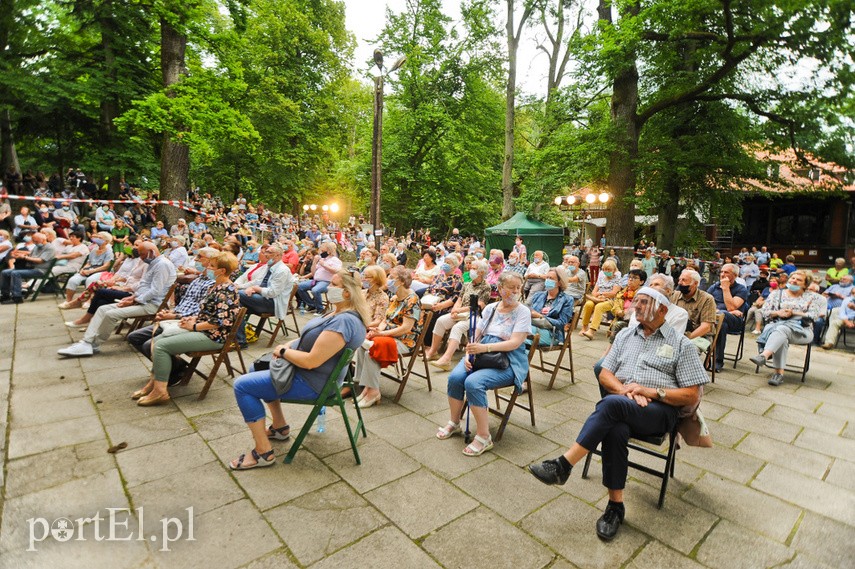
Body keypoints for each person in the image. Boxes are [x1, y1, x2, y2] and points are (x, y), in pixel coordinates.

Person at [527, 287, 708, 540]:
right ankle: (615, 507)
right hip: (625, 403)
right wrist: (627, 391)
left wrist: (652, 392)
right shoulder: (625, 335)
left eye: (645, 302)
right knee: (615, 428)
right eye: (636, 301)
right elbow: (604, 372)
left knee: (611, 406)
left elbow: (692, 394)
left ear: (663, 310)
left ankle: (563, 465)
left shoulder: (681, 344)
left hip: (659, 411)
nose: (637, 306)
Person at [228, 270, 370, 469]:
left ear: (346, 293)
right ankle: (279, 427)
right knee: (255, 367)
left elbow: (312, 361)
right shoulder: (339, 312)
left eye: (333, 284)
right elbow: (310, 338)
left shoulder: (344, 321)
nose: (328, 288)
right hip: (310, 373)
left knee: (242, 386)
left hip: (313, 382)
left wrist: (285, 351)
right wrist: (289, 346)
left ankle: (263, 452)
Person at [436, 271, 531, 456]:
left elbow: (515, 343)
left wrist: (484, 349)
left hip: (508, 360)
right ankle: (454, 422)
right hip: (482, 354)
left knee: (473, 382)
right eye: (511, 288)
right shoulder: (491, 308)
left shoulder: (523, 311)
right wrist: (468, 354)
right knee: (456, 377)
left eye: (518, 288)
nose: (516, 292)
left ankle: (483, 436)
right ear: (500, 289)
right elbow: (476, 335)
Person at [128, 251, 240, 405]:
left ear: (222, 271)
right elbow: (208, 313)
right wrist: (192, 318)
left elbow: (220, 322)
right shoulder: (216, 286)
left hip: (213, 336)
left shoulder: (226, 290)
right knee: (157, 340)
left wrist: (193, 326)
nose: (208, 268)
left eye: (212, 266)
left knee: (160, 346)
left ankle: (160, 391)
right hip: (204, 329)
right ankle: (154, 384)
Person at [57, 241, 176, 357]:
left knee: (111, 314)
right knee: (102, 309)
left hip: (151, 305)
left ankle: (94, 343)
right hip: (141, 300)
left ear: (151, 252)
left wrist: (134, 300)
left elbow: (155, 290)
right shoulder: (153, 263)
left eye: (142, 255)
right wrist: (132, 297)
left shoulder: (162, 264)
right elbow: (144, 286)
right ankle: (87, 342)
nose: (141, 258)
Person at [353, 265, 422, 408]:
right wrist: (377, 330)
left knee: (372, 351)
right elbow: (385, 320)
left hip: (404, 340)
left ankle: (373, 392)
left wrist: (381, 333)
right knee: (363, 346)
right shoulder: (395, 297)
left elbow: (406, 328)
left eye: (391, 277)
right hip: (388, 335)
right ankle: (367, 387)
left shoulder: (412, 299)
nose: (388, 280)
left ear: (401, 281)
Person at [750, 270, 824, 386]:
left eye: (799, 279)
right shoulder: (776, 294)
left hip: (802, 330)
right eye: (792, 278)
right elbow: (764, 312)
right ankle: (778, 374)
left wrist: (794, 313)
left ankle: (764, 355)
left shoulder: (812, 297)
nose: (794, 281)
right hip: (777, 325)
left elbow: (814, 316)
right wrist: (778, 313)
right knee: (782, 333)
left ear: (805, 284)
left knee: (781, 329)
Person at [425, 260, 492, 370]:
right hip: (460, 312)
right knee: (441, 321)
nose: (471, 270)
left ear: (481, 272)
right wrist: (455, 310)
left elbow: (479, 306)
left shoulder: (486, 287)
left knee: (457, 327)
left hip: (474, 316)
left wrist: (459, 310)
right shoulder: (467, 284)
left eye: (474, 268)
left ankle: (446, 359)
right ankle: (433, 351)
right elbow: (459, 299)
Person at [235, 243, 295, 347]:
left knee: (237, 295)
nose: (266, 254)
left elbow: (272, 293)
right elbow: (258, 281)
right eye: (266, 252)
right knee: (235, 306)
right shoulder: (269, 266)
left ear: (277, 255)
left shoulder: (282, 270)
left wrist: (255, 289)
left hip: (273, 303)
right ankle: (239, 339)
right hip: (263, 299)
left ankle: (240, 339)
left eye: (269, 252)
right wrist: (247, 287)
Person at [707, 263, 748, 372]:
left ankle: (712, 359)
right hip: (716, 319)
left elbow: (730, 307)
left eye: (726, 272)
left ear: (734, 275)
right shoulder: (714, 287)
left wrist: (725, 288)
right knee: (722, 324)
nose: (722, 274)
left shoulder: (741, 289)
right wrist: (719, 311)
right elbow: (705, 304)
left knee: (723, 315)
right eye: (721, 272)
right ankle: (717, 361)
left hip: (734, 322)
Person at [60, 232, 115, 305]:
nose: (97, 239)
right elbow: (89, 262)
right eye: (97, 237)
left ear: (106, 241)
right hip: (90, 269)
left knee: (90, 280)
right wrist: (83, 269)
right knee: (73, 280)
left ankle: (88, 301)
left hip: (101, 271)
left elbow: (106, 266)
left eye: (100, 238)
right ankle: (68, 300)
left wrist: (92, 271)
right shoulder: (94, 250)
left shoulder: (109, 251)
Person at [0, 232, 56, 304]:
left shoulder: (50, 248)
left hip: (40, 270)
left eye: (36, 241)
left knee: (16, 273)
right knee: (5, 272)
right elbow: (31, 254)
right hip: (31, 267)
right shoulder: (37, 246)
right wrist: (18, 255)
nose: (35, 243)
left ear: (43, 240)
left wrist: (25, 257)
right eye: (34, 241)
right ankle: (5, 295)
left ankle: (17, 297)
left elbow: (40, 260)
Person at [526, 267, 574, 346]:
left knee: (519, 334)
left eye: (551, 278)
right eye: (547, 277)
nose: (548, 280)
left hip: (553, 334)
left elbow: (562, 323)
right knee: (517, 332)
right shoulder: (538, 295)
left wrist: (541, 316)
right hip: (534, 326)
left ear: (559, 282)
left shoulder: (567, 300)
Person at [671, 269, 717, 348]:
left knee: (687, 350)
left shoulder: (707, 299)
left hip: (699, 336)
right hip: (677, 333)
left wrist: (686, 339)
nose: (679, 283)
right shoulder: (674, 295)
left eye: (684, 280)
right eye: (679, 280)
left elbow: (706, 327)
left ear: (695, 283)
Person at [579, 259, 621, 340]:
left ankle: (592, 331)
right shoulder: (601, 278)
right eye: (605, 269)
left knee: (599, 306)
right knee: (588, 304)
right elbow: (594, 292)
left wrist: (602, 294)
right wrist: (600, 295)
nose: (606, 271)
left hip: (610, 301)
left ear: (614, 270)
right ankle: (584, 327)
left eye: (609, 269)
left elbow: (614, 293)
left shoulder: (617, 279)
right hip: (598, 298)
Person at [296, 241, 341, 314]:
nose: (321, 253)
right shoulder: (322, 259)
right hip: (316, 280)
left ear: (329, 251)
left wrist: (324, 265)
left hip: (327, 282)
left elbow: (336, 271)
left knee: (315, 290)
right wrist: (314, 262)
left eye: (323, 251)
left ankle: (320, 309)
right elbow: (313, 273)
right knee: (299, 286)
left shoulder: (335, 260)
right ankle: (312, 305)